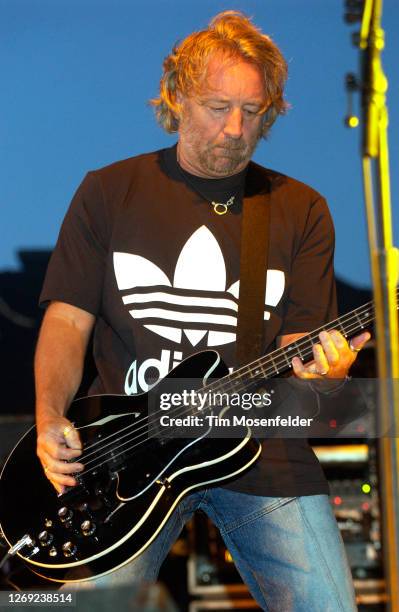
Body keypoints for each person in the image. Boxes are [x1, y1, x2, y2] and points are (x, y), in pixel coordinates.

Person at [35, 10, 370, 610]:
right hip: (129, 455)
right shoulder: (109, 192)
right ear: (176, 97)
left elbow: (306, 351)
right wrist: (48, 413)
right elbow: (66, 320)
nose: (236, 128)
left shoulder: (302, 209)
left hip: (262, 450)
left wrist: (330, 373)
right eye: (218, 107)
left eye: (253, 111)